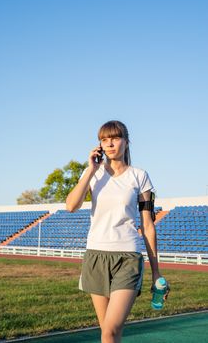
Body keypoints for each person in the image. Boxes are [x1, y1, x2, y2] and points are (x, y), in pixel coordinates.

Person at [66, 120, 169, 343]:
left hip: (128, 257)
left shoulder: (140, 177)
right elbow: (71, 206)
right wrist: (91, 170)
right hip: (95, 256)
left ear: (126, 141)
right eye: (104, 139)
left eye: (115, 138)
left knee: (110, 330)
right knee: (109, 332)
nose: (110, 143)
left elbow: (148, 225)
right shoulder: (92, 173)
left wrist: (156, 272)